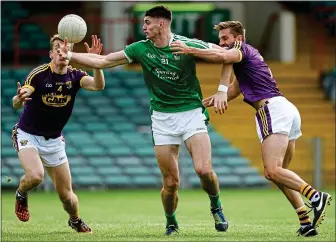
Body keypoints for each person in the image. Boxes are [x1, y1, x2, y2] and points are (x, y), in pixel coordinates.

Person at [56, 6, 229, 236]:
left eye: (147, 22)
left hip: (191, 113)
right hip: (162, 119)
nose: (143, 26)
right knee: (171, 183)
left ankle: (215, 205)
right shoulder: (140, 49)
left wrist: (223, 90)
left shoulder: (186, 44)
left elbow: (229, 56)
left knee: (203, 170)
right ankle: (171, 222)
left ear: (162, 24)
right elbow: (104, 61)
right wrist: (69, 55)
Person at [170, 20, 332, 237]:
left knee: (272, 170)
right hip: (286, 110)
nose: (222, 43)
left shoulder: (239, 49)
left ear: (238, 38)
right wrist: (210, 99)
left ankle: (315, 196)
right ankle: (305, 221)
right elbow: (235, 89)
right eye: (220, 39)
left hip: (272, 110)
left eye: (225, 38)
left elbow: (223, 57)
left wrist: (189, 50)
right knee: (280, 174)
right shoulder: (248, 56)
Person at [12, 34, 105, 233]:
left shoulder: (75, 76)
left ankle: (74, 219)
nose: (61, 51)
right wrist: (20, 98)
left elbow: (98, 86)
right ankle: (21, 193)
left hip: (54, 141)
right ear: (51, 53)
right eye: (57, 48)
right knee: (36, 176)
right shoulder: (39, 74)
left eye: (66, 48)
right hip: (28, 134)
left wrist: (97, 63)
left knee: (67, 197)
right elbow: (21, 96)